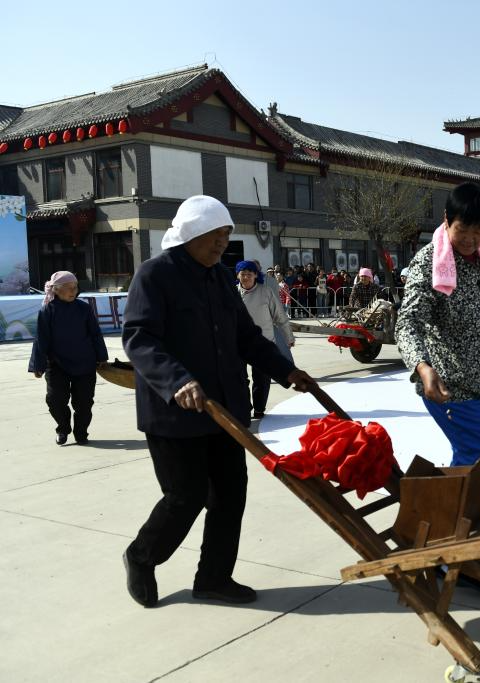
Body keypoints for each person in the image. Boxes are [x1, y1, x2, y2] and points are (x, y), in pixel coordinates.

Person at [121, 195, 317, 608]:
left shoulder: (219, 277)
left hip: (224, 410)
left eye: (226, 235)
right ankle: (141, 556)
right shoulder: (155, 275)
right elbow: (140, 338)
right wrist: (178, 381)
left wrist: (286, 370)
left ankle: (214, 578)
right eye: (215, 235)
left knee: (230, 494)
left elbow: (246, 337)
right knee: (185, 496)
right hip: (176, 413)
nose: (221, 244)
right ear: (192, 232)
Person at [396, 182, 480, 511]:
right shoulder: (429, 262)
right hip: (450, 387)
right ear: (447, 220)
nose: (471, 239)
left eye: (479, 231)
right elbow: (408, 322)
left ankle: (449, 530)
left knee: (469, 464)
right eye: (463, 230)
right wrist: (422, 367)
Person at [28, 270, 108, 445]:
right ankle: (63, 428)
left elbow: (95, 334)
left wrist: (102, 357)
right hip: (57, 364)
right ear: (56, 290)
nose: (73, 291)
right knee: (55, 400)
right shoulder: (47, 311)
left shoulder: (84, 308)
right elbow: (41, 340)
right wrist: (37, 365)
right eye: (68, 287)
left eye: (75, 287)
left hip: (85, 363)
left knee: (84, 403)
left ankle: (81, 432)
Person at [235, 261, 295, 419]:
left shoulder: (266, 292)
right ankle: (245, 408)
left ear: (256, 275)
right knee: (239, 379)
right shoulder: (233, 293)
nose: (246, 277)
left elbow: (280, 317)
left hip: (263, 343)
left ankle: (259, 408)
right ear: (238, 275)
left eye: (249, 274)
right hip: (238, 343)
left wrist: (288, 337)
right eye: (243, 274)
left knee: (262, 379)